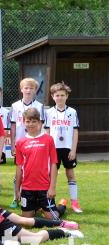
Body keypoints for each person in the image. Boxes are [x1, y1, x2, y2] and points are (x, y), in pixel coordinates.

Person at [15, 108, 65, 219]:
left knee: (52, 218)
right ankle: (37, 207)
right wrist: (17, 190)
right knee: (27, 220)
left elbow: (53, 164)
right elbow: (19, 167)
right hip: (27, 188)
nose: (31, 124)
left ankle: (62, 206)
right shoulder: (20, 142)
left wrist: (52, 187)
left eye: (34, 121)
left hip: (44, 187)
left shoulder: (48, 140)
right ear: (23, 122)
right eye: (28, 121)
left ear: (40, 122)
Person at [9, 78, 46, 208]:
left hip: (35, 144)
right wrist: (13, 143)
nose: (28, 90)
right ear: (21, 89)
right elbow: (13, 126)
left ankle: (36, 197)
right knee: (18, 170)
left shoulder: (40, 106)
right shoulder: (15, 106)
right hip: (21, 144)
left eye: (31, 88)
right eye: (26, 88)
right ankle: (16, 196)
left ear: (35, 90)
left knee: (33, 170)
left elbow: (41, 125)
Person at [45, 82, 81, 213]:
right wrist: (47, 149)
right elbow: (47, 132)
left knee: (70, 174)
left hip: (67, 148)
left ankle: (75, 203)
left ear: (67, 96)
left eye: (62, 95)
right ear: (52, 97)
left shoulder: (72, 112)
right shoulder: (48, 112)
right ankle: (48, 202)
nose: (59, 97)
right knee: (50, 175)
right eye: (57, 95)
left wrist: (73, 149)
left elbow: (75, 131)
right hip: (53, 149)